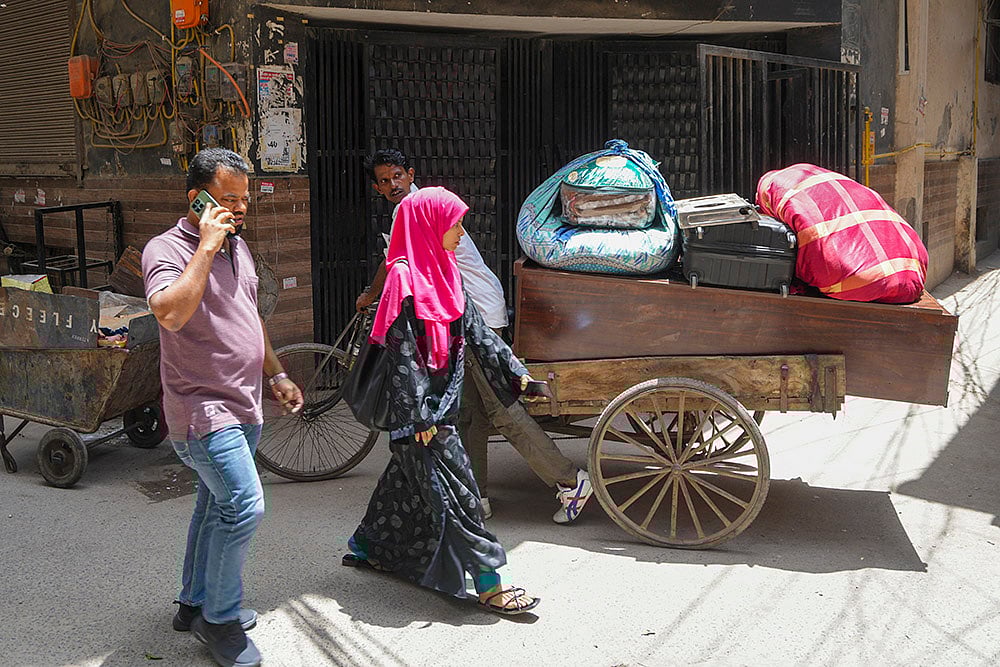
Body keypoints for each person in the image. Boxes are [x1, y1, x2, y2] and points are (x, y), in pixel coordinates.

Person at [356, 149, 593, 524]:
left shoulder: (416, 209)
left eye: (397, 176)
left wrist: (371, 298)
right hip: (468, 313)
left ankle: (568, 478)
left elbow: (398, 268)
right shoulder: (423, 205)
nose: (392, 185)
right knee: (470, 412)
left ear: (410, 173)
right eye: (384, 181)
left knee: (498, 409)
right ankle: (475, 494)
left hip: (471, 314)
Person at [344, 186, 541, 615]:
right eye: (453, 223)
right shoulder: (402, 279)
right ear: (428, 226)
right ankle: (489, 582)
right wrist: (418, 417)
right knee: (459, 494)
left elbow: (477, 332)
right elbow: (402, 355)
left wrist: (517, 373)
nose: (458, 231)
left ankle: (365, 545)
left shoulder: (447, 272)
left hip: (441, 404)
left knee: (404, 484)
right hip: (419, 412)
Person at [142, 148, 304, 667]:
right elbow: (168, 313)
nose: (239, 208)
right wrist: (207, 246)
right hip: (201, 409)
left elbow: (249, 318)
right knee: (243, 505)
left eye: (245, 199)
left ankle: (193, 604)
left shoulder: (240, 248)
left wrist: (274, 372)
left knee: (214, 506)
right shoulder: (165, 248)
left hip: (246, 403)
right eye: (228, 199)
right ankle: (221, 620)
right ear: (197, 198)